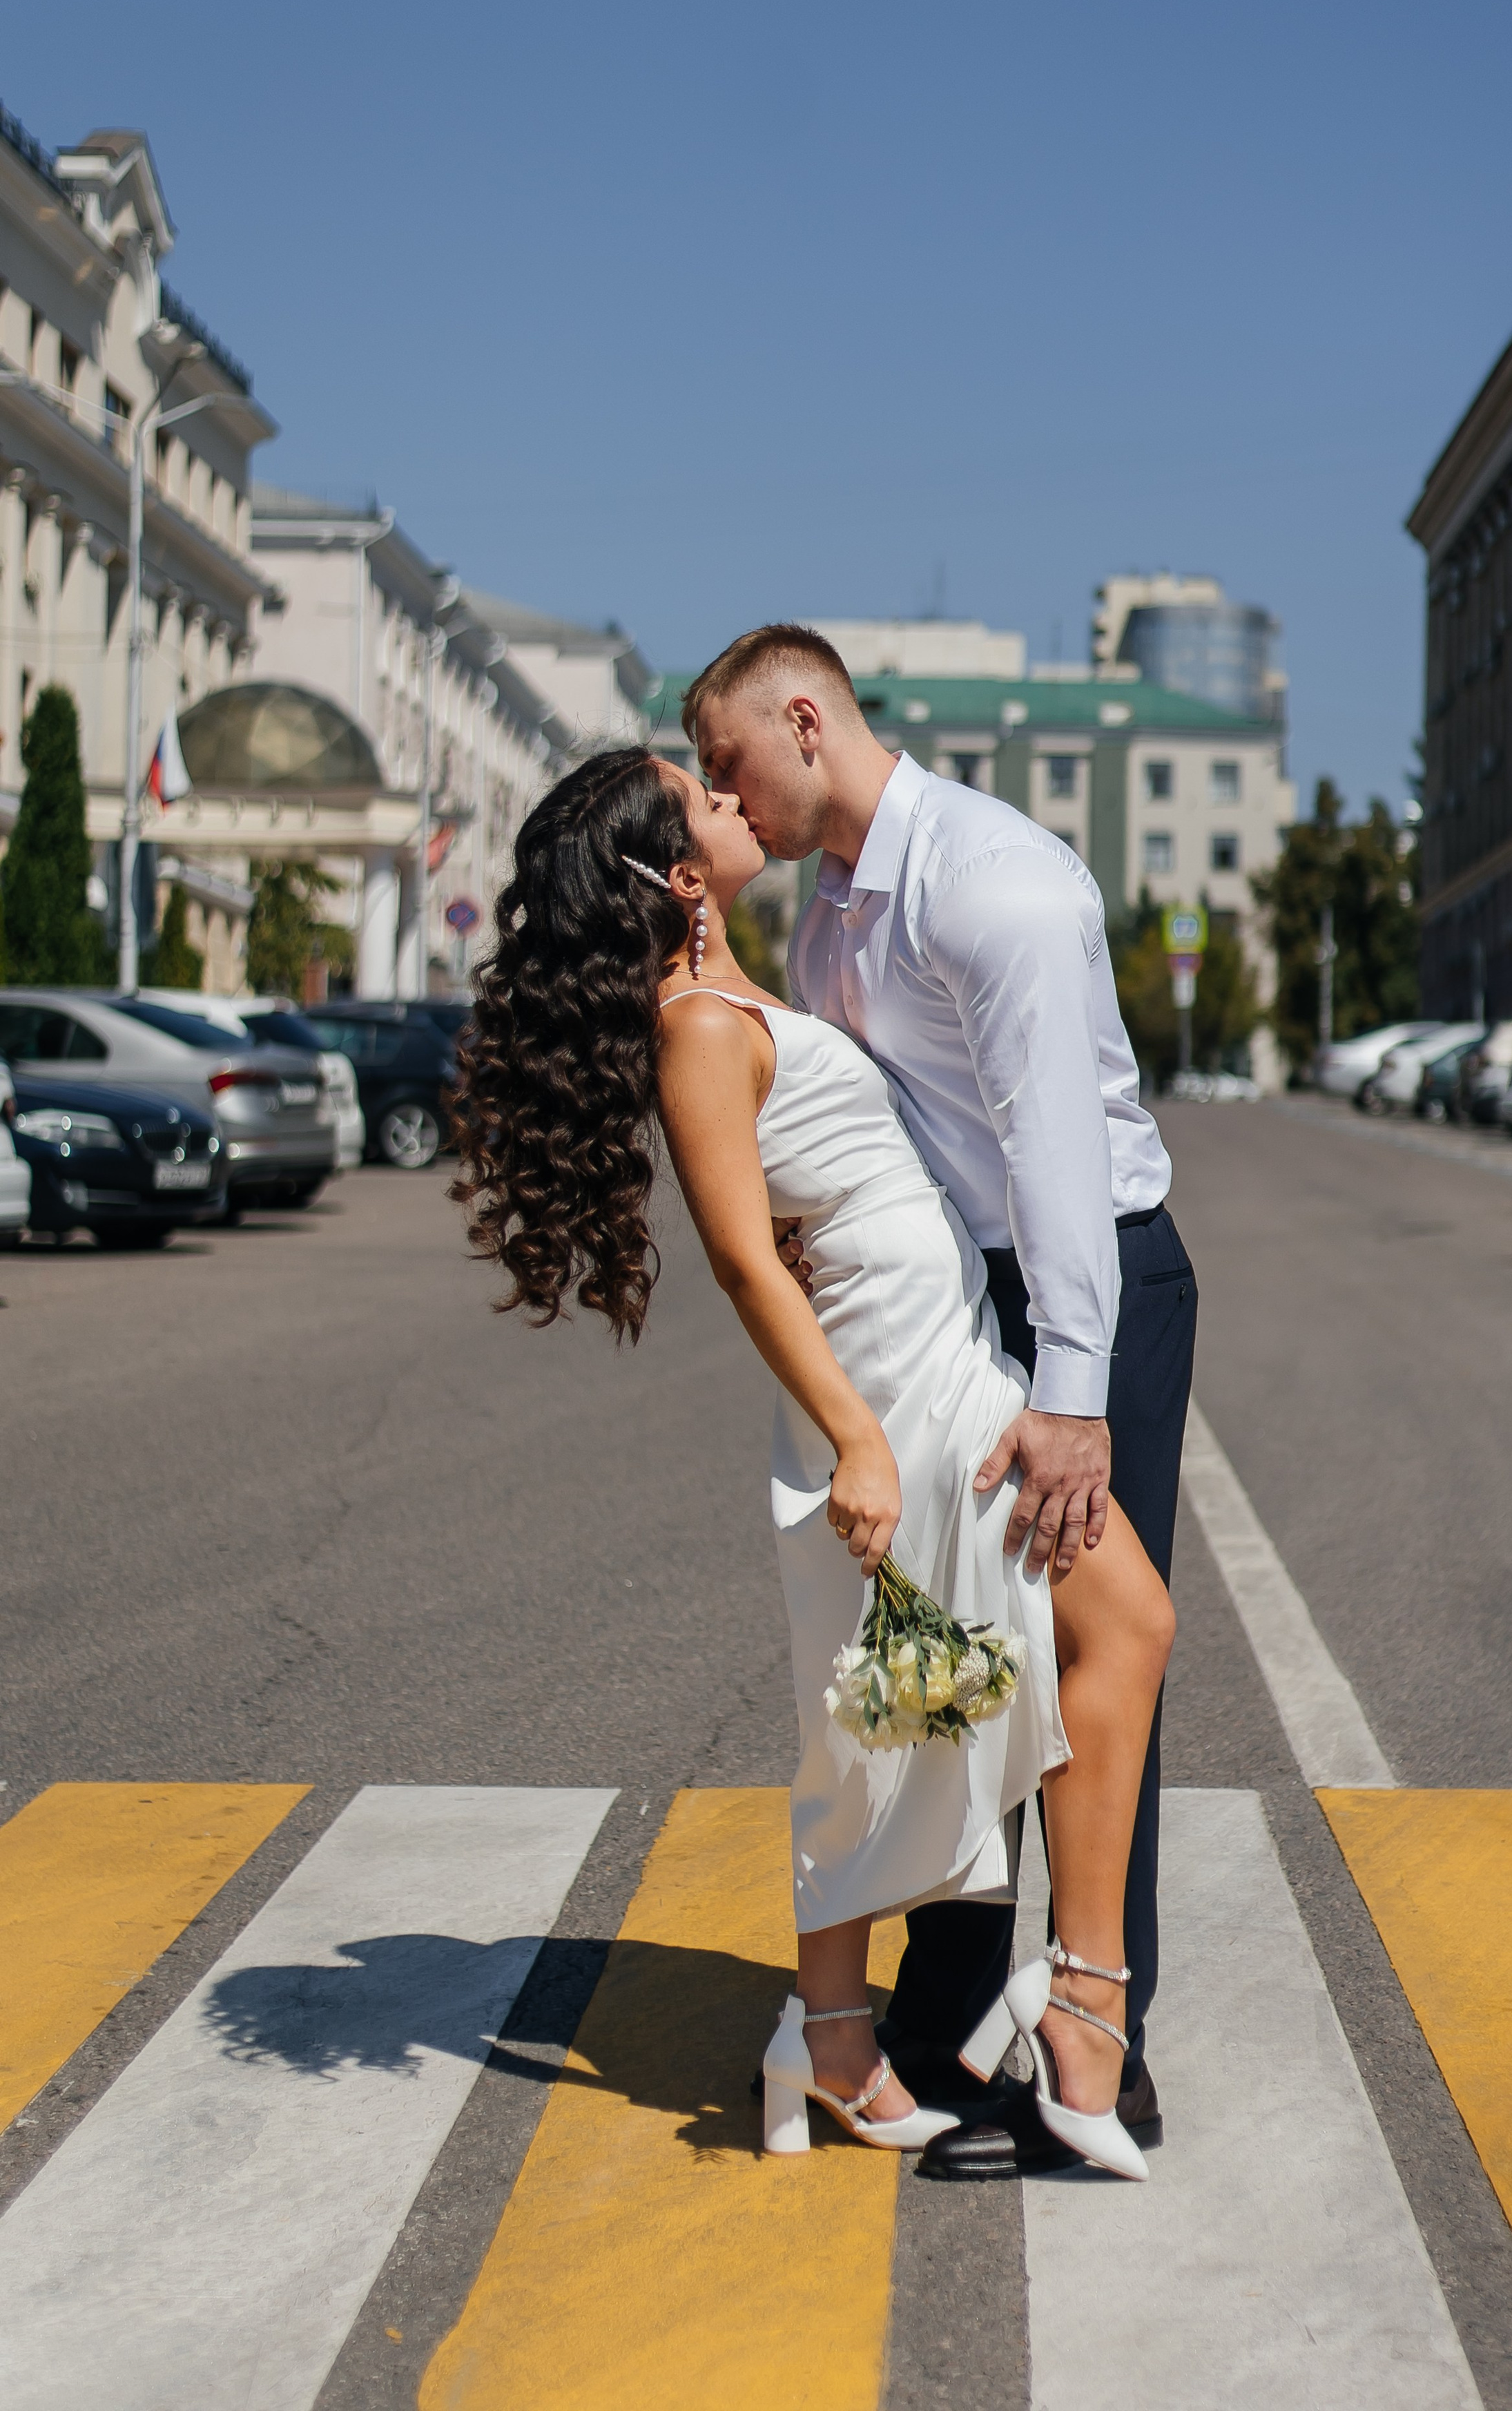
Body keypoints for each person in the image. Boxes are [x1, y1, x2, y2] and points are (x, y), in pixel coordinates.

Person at [451, 742, 1174, 2180]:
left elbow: (791, 1188)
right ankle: (1071, 2006)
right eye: (704, 799)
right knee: (1089, 1638)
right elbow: (734, 1255)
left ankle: (839, 2032)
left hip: (924, 1349)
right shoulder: (698, 1024)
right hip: (905, 1392)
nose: (734, 805)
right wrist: (854, 1436)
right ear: (675, 873)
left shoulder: (723, 994)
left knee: (899, 1708)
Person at [683, 623, 1197, 2178]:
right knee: (973, 1658)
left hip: (1089, 1289)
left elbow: (1054, 1153)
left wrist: (1071, 1394)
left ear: (800, 717)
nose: (724, 798)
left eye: (725, 764)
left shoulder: (995, 879)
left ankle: (1105, 2029)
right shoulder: (836, 907)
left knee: (1102, 1647)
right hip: (964, 1305)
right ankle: (957, 2008)